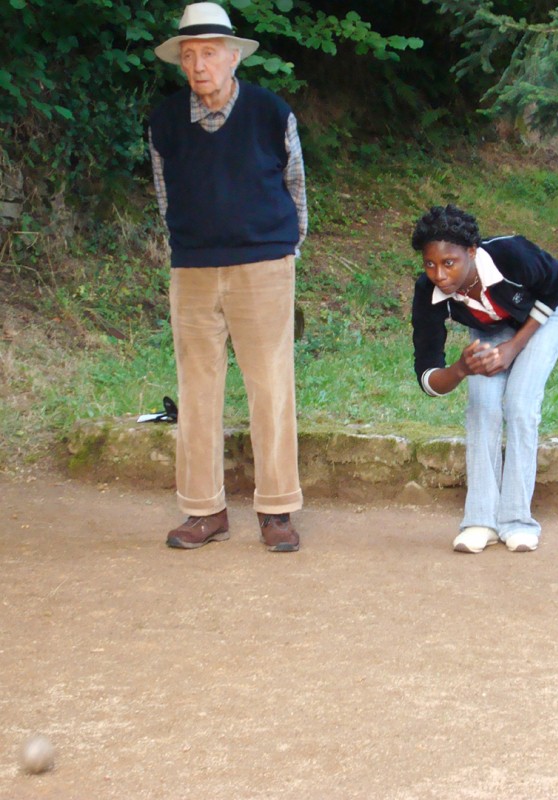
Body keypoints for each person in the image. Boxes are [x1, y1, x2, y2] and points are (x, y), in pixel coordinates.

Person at [149, 2, 307, 552]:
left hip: (263, 266)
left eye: (210, 53)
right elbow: (165, 195)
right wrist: (188, 249)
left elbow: (296, 190)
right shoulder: (165, 121)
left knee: (270, 386)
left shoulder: (270, 112)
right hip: (192, 268)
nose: (199, 65)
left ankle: (277, 508)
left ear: (234, 57)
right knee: (196, 391)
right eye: (189, 55)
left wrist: (280, 254)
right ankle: (203, 510)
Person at [410, 205, 558, 553]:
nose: (439, 274)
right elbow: (428, 375)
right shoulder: (428, 292)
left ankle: (517, 521)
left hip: (548, 311)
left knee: (519, 404)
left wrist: (514, 348)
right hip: (492, 325)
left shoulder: (511, 254)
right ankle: (480, 521)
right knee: (483, 406)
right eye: (430, 264)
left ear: (471, 252)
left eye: (449, 263)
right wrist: (461, 369)